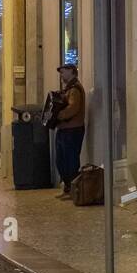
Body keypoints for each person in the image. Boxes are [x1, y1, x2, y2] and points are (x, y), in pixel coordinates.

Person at [53, 63, 86, 198]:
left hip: (72, 130)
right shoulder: (67, 90)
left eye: (63, 72)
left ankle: (73, 190)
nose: (61, 75)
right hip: (64, 130)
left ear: (72, 71)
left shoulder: (75, 89)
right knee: (61, 161)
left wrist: (58, 115)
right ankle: (67, 188)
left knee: (71, 161)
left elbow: (73, 108)